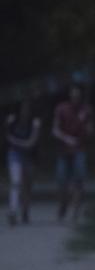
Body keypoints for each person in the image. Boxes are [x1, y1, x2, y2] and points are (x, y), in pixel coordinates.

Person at [52, 84, 94, 223]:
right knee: (62, 181)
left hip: (79, 150)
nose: (75, 98)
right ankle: (63, 205)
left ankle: (75, 211)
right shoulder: (61, 109)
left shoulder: (86, 110)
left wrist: (86, 128)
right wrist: (66, 138)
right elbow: (55, 130)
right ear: (70, 96)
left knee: (79, 180)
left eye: (78, 96)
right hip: (63, 150)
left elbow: (90, 130)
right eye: (73, 96)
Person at [5, 96, 41, 226]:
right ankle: (13, 211)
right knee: (16, 182)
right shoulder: (12, 121)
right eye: (23, 108)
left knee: (27, 186)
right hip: (15, 155)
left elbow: (32, 142)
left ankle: (25, 210)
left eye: (28, 109)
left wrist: (18, 142)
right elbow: (8, 137)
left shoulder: (35, 122)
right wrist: (20, 143)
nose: (25, 111)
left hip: (29, 156)